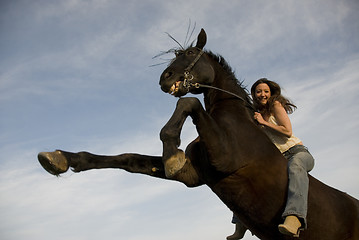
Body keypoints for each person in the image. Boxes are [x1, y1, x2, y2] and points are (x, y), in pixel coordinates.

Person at [226, 78, 315, 239]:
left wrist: (263, 123)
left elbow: (287, 131)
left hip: (297, 152)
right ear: (253, 94)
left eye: (266, 91)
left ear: (271, 93)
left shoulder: (275, 105)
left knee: (295, 166)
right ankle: (240, 223)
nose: (262, 94)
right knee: (246, 176)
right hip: (278, 160)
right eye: (259, 91)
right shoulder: (255, 114)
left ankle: (295, 218)